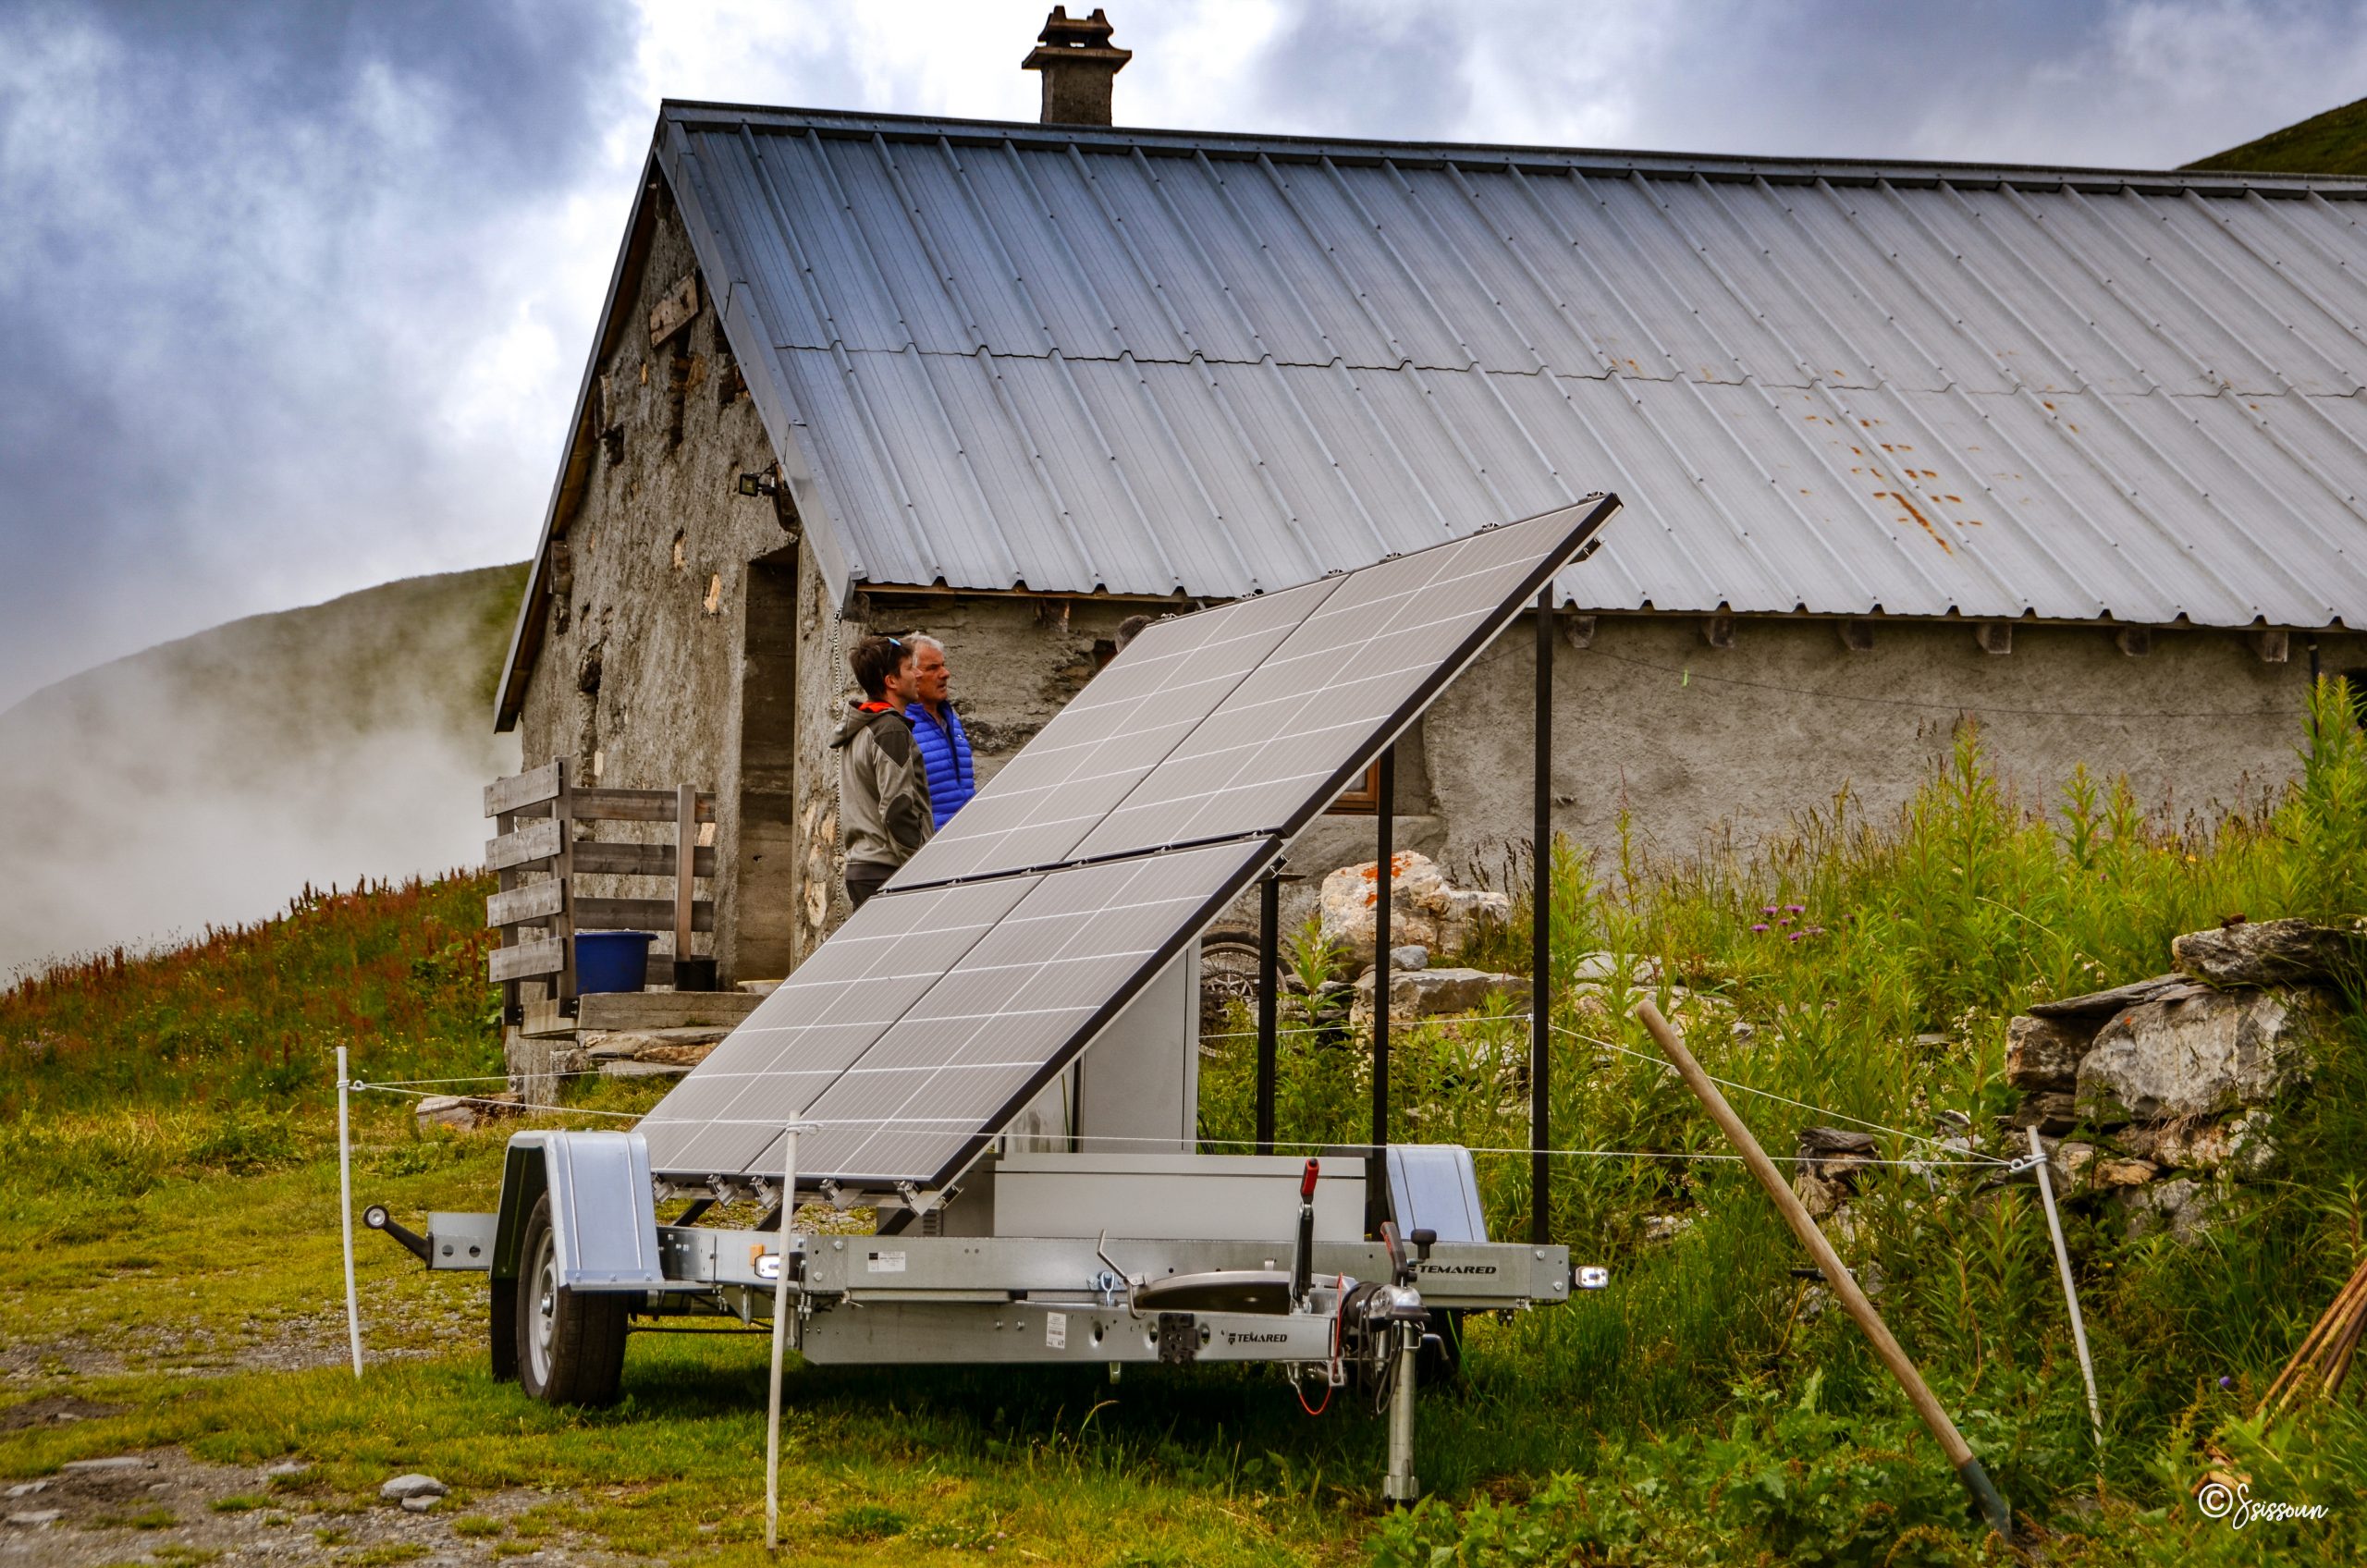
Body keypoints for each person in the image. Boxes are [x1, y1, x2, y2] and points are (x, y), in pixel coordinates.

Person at [831, 634, 932, 910]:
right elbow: (896, 808)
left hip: (862, 868)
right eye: (910, 668)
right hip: (887, 869)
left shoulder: (861, 727)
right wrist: (920, 862)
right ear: (891, 681)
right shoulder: (890, 730)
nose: (918, 673)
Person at [902, 634, 975, 829]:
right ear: (912, 675)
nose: (945, 673)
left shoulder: (951, 720)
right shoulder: (901, 727)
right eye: (933, 668)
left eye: (943, 665)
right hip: (929, 848)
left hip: (968, 840)